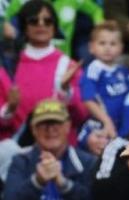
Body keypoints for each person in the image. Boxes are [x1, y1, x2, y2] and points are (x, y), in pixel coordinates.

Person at [12, 0, 88, 142]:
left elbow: (81, 116)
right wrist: (9, 108)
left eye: (48, 21)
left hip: (58, 150)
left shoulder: (69, 66)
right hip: (17, 151)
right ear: (24, 26)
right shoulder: (10, 65)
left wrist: (66, 92)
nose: (41, 24)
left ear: (55, 27)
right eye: (34, 20)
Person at [80, 20, 129, 140]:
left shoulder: (122, 70)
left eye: (113, 44)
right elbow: (88, 100)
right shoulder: (94, 69)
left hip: (119, 125)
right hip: (100, 124)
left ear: (121, 48)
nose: (107, 48)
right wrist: (106, 121)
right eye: (102, 43)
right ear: (91, 47)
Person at [5, 0, 103, 56]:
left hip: (63, 59)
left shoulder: (74, 1)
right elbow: (7, 14)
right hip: (33, 58)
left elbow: (95, 10)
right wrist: (6, 25)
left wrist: (99, 23)